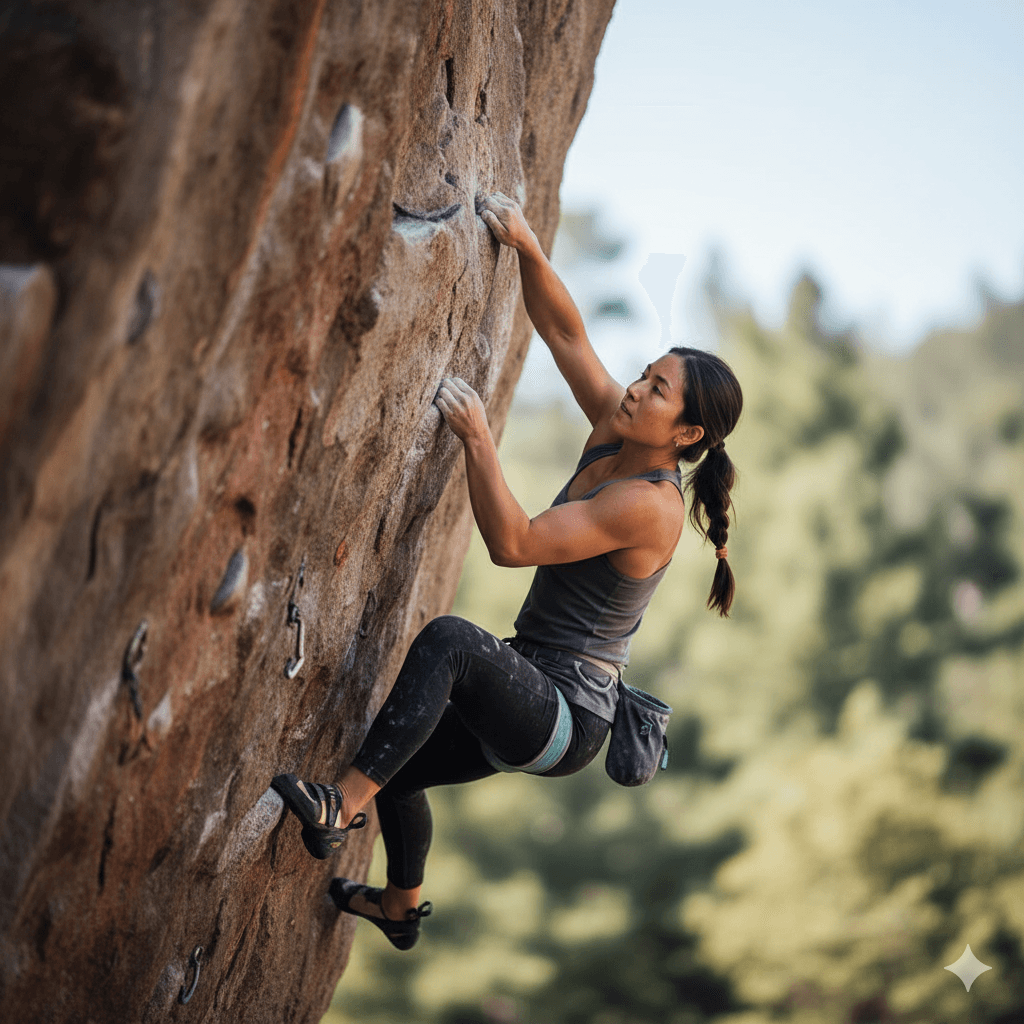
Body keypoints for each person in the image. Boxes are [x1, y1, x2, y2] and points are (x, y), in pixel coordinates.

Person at [272, 192, 743, 950]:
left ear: (686, 433)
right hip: (535, 681)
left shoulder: (650, 506)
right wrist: (526, 246)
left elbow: (515, 543)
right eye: (644, 374)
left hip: (566, 716)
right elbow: (563, 331)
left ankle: (338, 807)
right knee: (402, 754)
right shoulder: (615, 431)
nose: (633, 388)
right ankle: (399, 907)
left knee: (453, 643)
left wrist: (478, 439)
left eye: (656, 390)